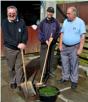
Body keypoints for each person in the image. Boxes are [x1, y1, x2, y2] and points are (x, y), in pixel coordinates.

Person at [59, 6, 86, 89]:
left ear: (74, 14)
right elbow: (62, 33)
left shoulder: (80, 22)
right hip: (64, 46)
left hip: (74, 47)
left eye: (69, 13)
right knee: (64, 63)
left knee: (74, 64)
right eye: (67, 13)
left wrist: (80, 49)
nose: (67, 15)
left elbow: (83, 36)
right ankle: (65, 77)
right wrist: (60, 45)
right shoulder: (65, 21)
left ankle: (74, 80)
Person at [2, 6, 28, 89]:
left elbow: (25, 33)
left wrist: (23, 42)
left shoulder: (21, 21)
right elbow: (7, 37)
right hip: (10, 49)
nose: (11, 15)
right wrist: (17, 44)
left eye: (13, 13)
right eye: (9, 13)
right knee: (11, 67)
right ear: (7, 13)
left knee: (19, 67)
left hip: (20, 49)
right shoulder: (4, 22)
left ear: (16, 13)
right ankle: (13, 81)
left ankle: (19, 82)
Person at [39, 7, 60, 82]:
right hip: (44, 44)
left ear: (53, 13)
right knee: (43, 59)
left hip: (52, 43)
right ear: (46, 12)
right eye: (49, 12)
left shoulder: (56, 22)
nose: (50, 13)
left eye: (51, 12)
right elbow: (40, 33)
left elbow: (58, 32)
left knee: (51, 58)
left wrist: (53, 38)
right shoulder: (42, 22)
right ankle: (43, 74)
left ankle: (49, 72)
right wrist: (45, 40)